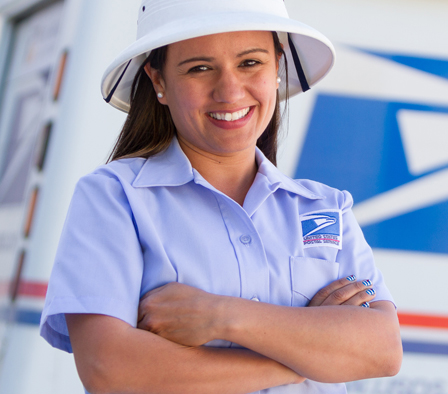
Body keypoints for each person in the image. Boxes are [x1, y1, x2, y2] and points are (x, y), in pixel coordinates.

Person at [38, 1, 402, 393]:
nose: (229, 91)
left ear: (277, 68)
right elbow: (109, 370)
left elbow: (382, 351)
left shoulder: (326, 208)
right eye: (199, 68)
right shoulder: (115, 198)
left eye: (250, 63)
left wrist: (219, 316)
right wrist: (311, 356)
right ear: (158, 81)